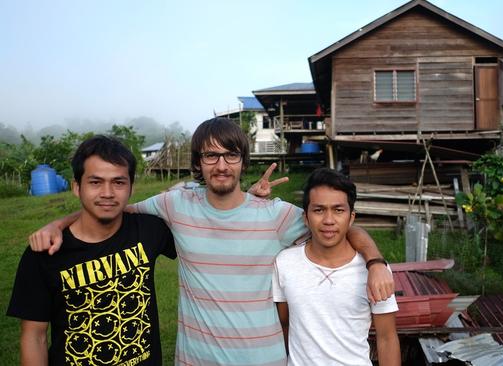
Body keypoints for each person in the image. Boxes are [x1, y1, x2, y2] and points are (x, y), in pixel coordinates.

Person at [29, 118, 394, 366]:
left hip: (264, 360)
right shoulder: (174, 205)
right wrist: (57, 223)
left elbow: (337, 223)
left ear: (242, 161)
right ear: (199, 163)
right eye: (211, 155)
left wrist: (375, 261)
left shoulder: (275, 215)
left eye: (230, 155)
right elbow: (109, 207)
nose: (221, 165)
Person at [7, 136, 176, 365]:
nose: (107, 193)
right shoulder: (44, 253)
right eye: (95, 182)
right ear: (77, 187)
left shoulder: (149, 230)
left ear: (131, 187)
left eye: (118, 182)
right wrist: (58, 225)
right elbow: (33, 338)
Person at [273, 168, 400, 365]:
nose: (329, 220)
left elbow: (387, 338)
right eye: (319, 210)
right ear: (306, 217)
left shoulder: (376, 271)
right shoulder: (285, 263)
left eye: (338, 210)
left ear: (351, 218)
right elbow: (284, 325)